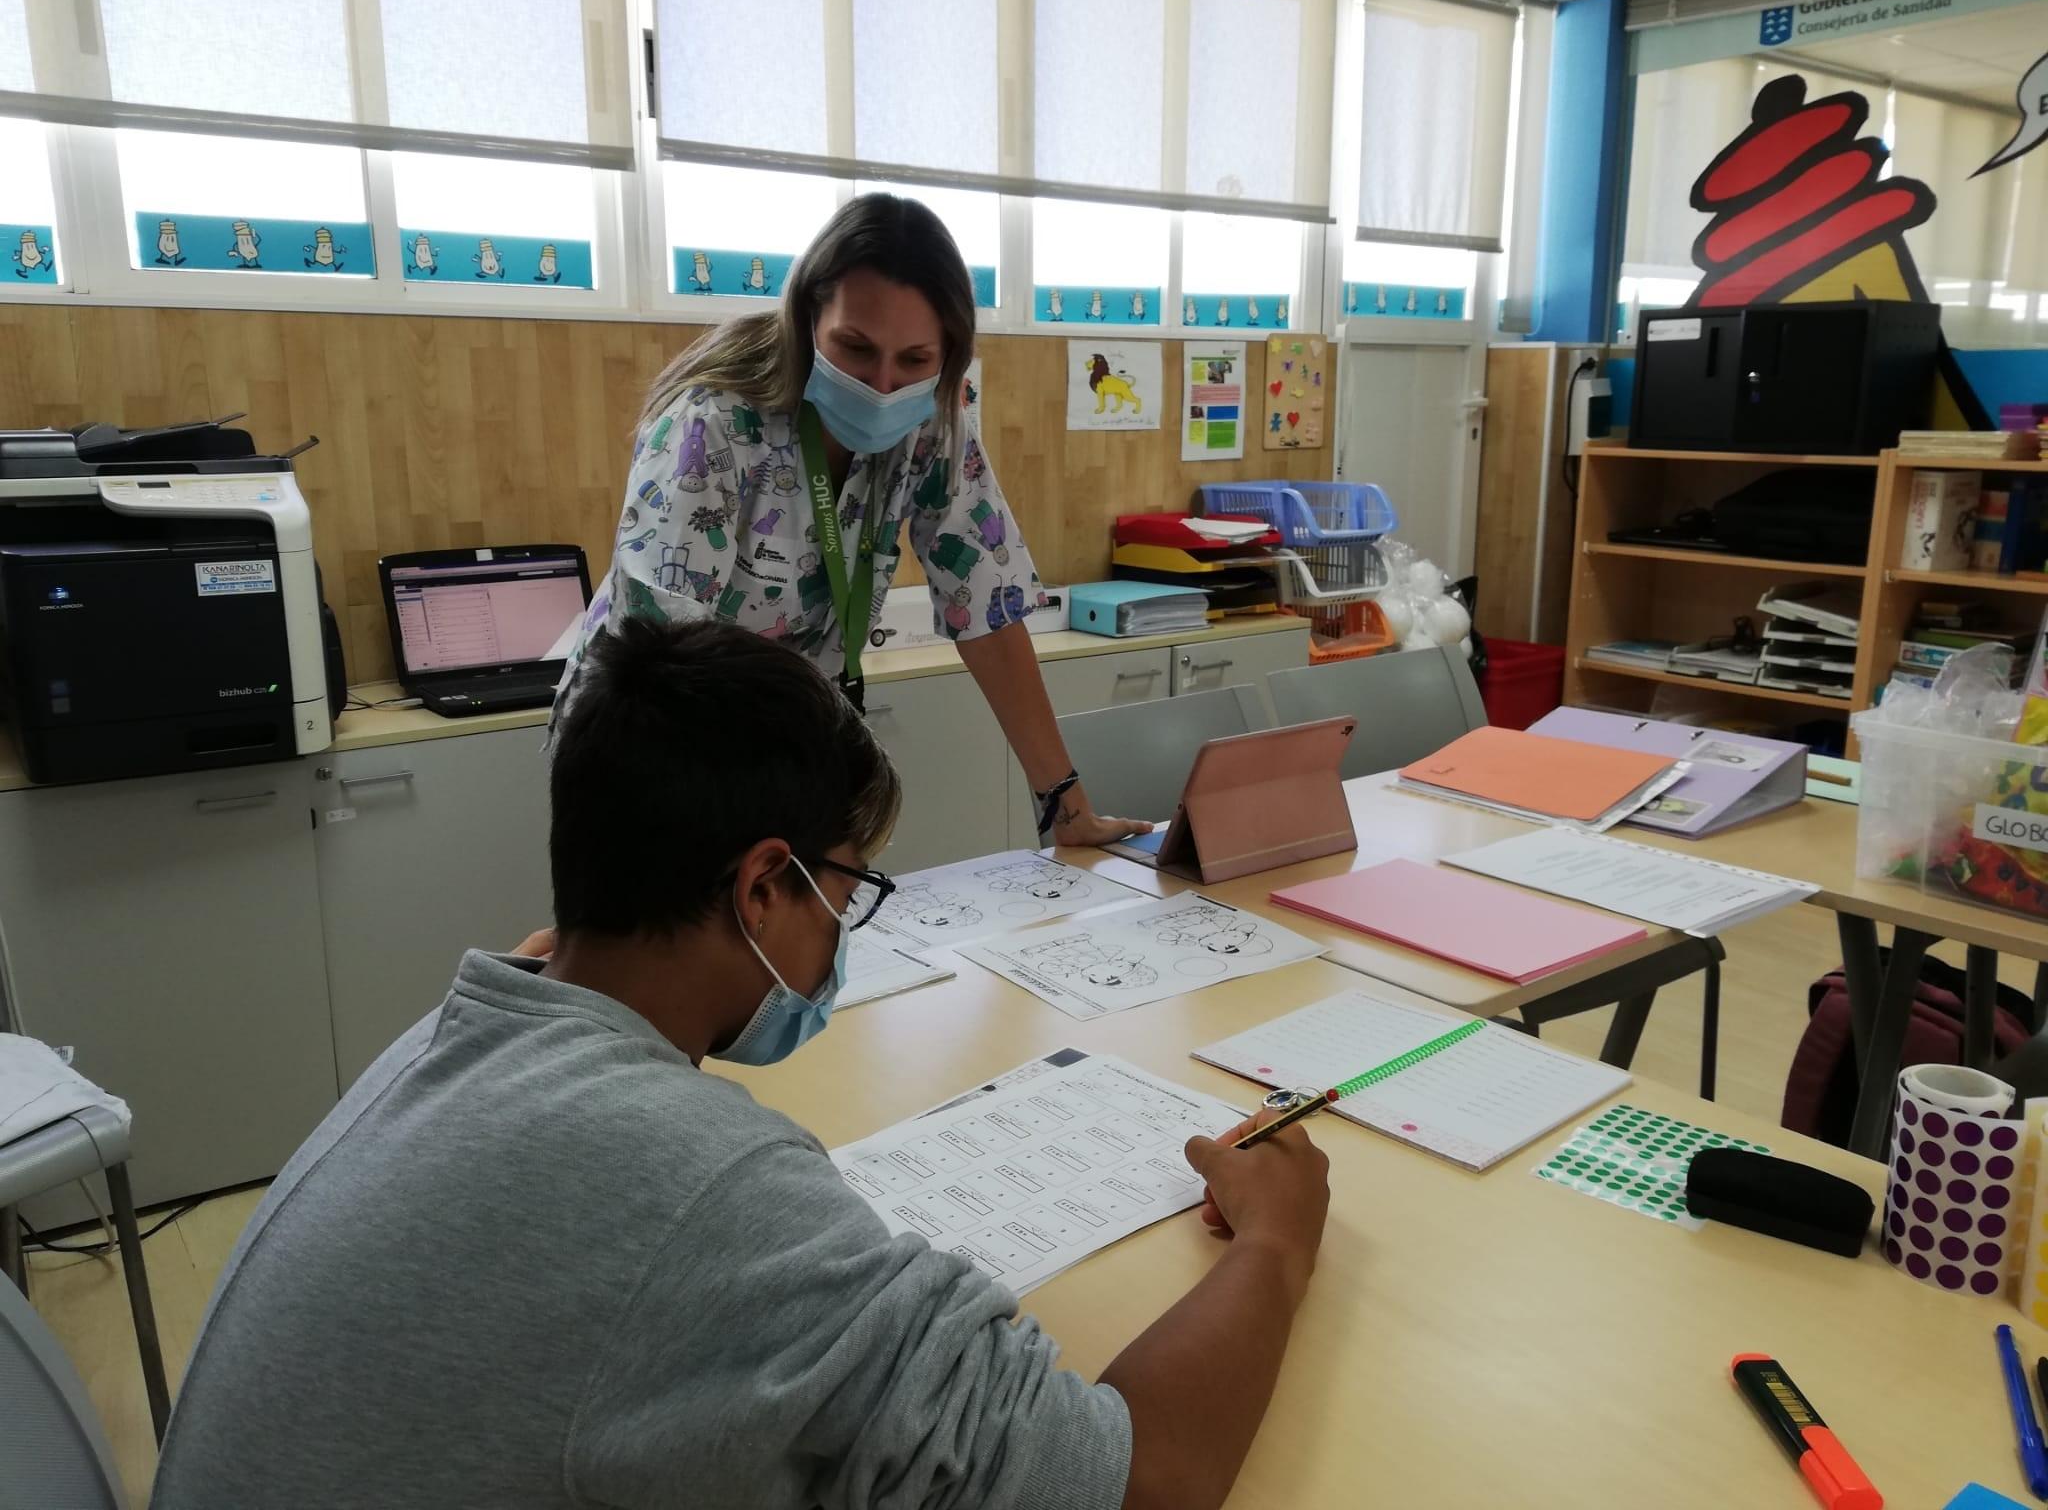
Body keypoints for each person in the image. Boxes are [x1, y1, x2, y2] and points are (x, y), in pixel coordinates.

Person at [150, 619, 1330, 1510]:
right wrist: (1273, 1241)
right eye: (846, 886)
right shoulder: (692, 1186)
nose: (842, 934)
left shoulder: (470, 1025)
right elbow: (1134, 1484)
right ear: (763, 887)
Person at [559, 192, 1145, 848]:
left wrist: (1065, 806)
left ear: (948, 358)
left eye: (915, 361)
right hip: (652, 741)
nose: (883, 385)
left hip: (793, 744)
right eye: (856, 349)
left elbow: (989, 608)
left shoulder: (932, 428)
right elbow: (657, 654)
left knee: (811, 938)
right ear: (810, 315)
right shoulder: (711, 425)